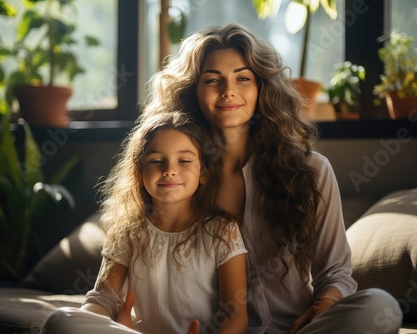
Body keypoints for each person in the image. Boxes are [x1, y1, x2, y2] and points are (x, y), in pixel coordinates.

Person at [137, 23, 403, 334]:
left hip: (296, 329)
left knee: (380, 307)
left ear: (262, 87)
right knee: (67, 322)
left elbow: (336, 273)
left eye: (243, 78)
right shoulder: (172, 177)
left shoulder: (311, 170)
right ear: (192, 91)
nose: (228, 91)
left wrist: (324, 306)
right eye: (212, 80)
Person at [40, 111, 248, 334]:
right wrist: (99, 324)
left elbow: (236, 316)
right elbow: (103, 298)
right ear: (139, 172)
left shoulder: (222, 230)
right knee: (60, 320)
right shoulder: (127, 231)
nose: (169, 171)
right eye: (156, 161)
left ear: (203, 172)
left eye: (184, 161)